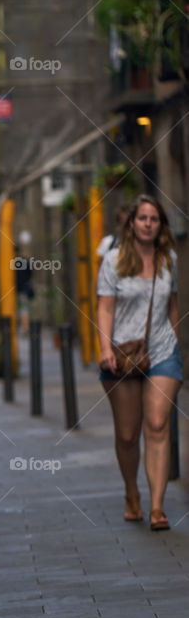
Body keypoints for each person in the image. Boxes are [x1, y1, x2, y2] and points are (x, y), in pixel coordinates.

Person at [96, 194, 182, 531]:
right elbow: (104, 308)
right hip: (121, 353)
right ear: (132, 223)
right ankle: (132, 494)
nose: (148, 224)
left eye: (154, 219)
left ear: (160, 225)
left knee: (158, 425)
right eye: (142, 218)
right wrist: (104, 349)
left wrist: (174, 340)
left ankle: (158, 507)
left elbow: (172, 305)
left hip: (162, 351)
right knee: (128, 435)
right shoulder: (114, 260)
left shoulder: (168, 259)